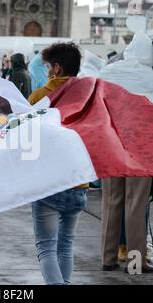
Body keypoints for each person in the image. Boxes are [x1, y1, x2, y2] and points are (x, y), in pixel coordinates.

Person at [27, 43, 89, 285]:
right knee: (66, 244)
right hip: (78, 180)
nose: (45, 72)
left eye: (47, 67)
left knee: (46, 248)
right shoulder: (87, 97)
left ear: (56, 68)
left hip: (48, 183)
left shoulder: (39, 97)